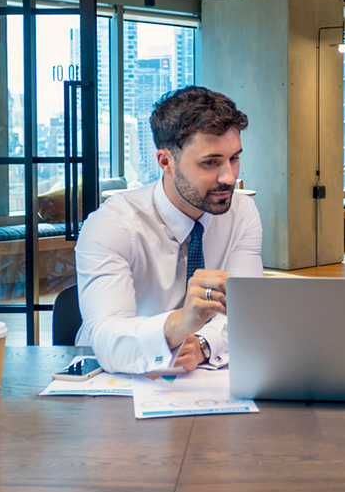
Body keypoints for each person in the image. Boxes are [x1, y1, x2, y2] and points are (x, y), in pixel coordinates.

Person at [75, 86, 263, 374]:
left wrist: (202, 343)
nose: (229, 177)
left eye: (234, 158)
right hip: (118, 379)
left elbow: (248, 311)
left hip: (202, 375)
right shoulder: (112, 225)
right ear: (166, 162)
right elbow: (105, 335)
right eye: (211, 162)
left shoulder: (242, 214)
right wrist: (178, 325)